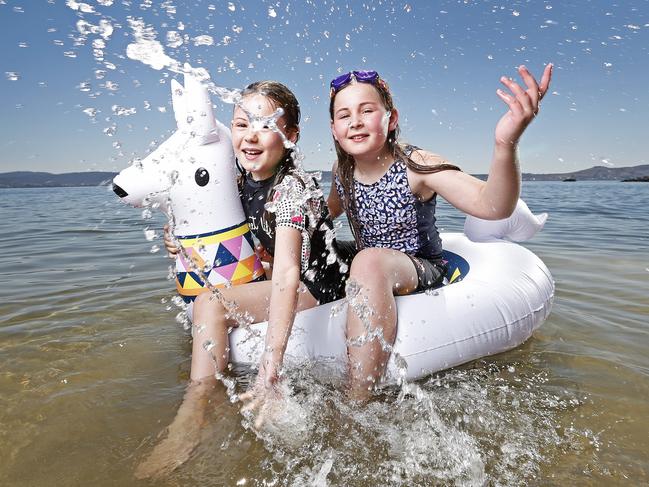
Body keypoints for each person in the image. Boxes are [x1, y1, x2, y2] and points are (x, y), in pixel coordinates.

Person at [136, 80, 349, 478]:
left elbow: (288, 273)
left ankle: (194, 411)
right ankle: (208, 401)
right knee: (206, 295)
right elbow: (206, 219)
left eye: (266, 125)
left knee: (211, 302)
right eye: (241, 124)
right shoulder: (236, 179)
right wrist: (176, 235)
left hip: (318, 284)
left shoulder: (292, 189)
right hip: (274, 274)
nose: (251, 135)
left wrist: (271, 367)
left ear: (291, 136)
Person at [326, 65, 553, 400]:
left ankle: (358, 398)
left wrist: (506, 142)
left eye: (367, 110)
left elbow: (491, 206)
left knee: (369, 261)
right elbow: (326, 212)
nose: (355, 121)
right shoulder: (341, 170)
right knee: (313, 245)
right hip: (369, 261)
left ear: (390, 118)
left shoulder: (416, 165)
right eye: (344, 115)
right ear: (333, 129)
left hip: (419, 266)